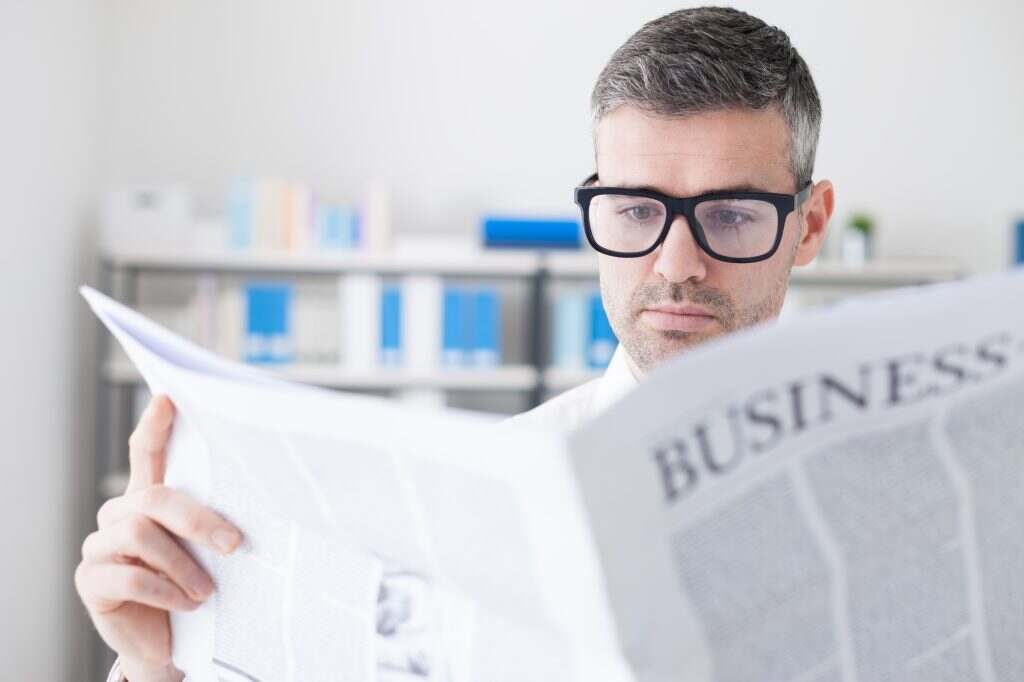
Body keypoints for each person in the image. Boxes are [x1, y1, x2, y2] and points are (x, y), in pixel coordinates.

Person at [76, 7, 834, 681]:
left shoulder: (892, 500)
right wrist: (156, 668)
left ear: (811, 225)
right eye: (636, 211)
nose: (675, 265)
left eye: (732, 215)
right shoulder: (475, 503)